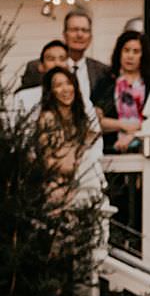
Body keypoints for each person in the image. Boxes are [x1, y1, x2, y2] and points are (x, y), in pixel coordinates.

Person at [36, 67, 103, 204]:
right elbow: (52, 164)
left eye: (68, 83)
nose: (66, 89)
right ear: (51, 91)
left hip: (81, 185)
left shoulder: (80, 120)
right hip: (56, 188)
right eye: (58, 85)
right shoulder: (49, 119)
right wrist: (79, 148)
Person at [21, 7, 109, 101]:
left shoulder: (103, 71)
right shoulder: (36, 68)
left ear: (90, 37)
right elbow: (23, 102)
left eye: (85, 30)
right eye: (74, 30)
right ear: (64, 35)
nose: (79, 35)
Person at [91, 29, 149, 154]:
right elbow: (94, 120)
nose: (130, 56)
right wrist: (123, 125)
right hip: (110, 150)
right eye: (126, 50)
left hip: (146, 151)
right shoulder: (106, 83)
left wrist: (134, 134)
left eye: (136, 51)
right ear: (119, 52)